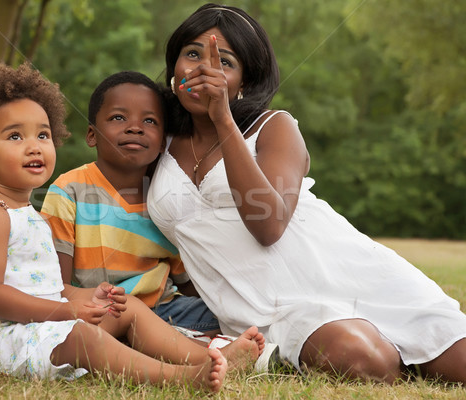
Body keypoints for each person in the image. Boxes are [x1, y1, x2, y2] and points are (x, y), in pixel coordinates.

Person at [146, 3, 466, 384]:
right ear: (174, 67)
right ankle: (390, 354)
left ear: (245, 80)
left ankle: (404, 345)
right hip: (269, 310)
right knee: (362, 361)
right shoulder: (154, 140)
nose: (203, 70)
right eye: (192, 54)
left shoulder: (274, 126)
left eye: (224, 62)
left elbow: (269, 225)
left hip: (345, 273)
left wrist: (222, 118)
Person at [0, 62, 265, 392]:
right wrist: (67, 310)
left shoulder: (30, 215)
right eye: (14, 136)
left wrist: (88, 298)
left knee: (127, 309)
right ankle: (180, 378)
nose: (34, 145)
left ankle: (209, 356)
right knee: (85, 337)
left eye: (43, 135)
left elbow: (47, 287)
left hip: (37, 326)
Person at [40, 71, 220, 337]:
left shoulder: (165, 199)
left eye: (149, 121)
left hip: (167, 310)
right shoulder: (69, 191)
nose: (135, 127)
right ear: (92, 135)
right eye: (118, 118)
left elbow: (188, 280)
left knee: (231, 313)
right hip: (99, 311)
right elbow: (56, 288)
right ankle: (191, 345)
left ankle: (201, 340)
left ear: (162, 143)